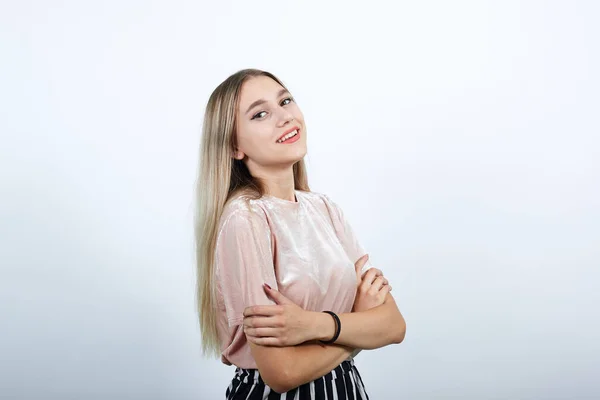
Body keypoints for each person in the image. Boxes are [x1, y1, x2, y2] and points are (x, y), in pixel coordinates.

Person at [194, 68, 407, 399]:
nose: (284, 117)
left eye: (286, 101)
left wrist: (312, 325)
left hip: (345, 389)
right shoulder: (246, 219)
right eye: (261, 113)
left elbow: (394, 326)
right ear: (235, 146)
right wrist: (357, 325)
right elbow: (282, 372)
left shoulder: (324, 209)